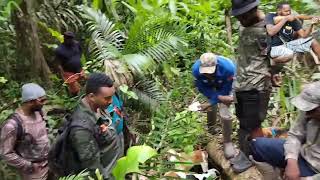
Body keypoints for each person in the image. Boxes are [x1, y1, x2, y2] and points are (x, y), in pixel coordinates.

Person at [231, 0, 271, 173]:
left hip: (257, 85)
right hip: (241, 83)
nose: (240, 19)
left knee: (253, 123)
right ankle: (246, 154)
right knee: (243, 121)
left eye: (243, 15)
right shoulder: (246, 24)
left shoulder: (269, 28)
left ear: (254, 10)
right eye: (238, 16)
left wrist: (273, 69)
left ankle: (258, 157)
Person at [250, 81, 320, 180]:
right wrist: (291, 161)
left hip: (315, 171)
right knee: (257, 145)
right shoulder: (308, 112)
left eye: (312, 110)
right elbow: (295, 135)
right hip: (302, 154)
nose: (307, 114)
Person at [63, 73, 120, 178]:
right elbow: (92, 168)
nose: (111, 101)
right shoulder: (81, 129)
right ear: (92, 97)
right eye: (107, 98)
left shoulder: (96, 107)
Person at [0, 83, 50, 180]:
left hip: (49, 165)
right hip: (33, 173)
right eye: (42, 100)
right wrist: (29, 166)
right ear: (30, 101)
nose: (45, 102)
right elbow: (6, 153)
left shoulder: (39, 112)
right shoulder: (12, 125)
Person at [192, 52, 236, 159]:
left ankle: (227, 142)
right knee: (210, 105)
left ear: (216, 66)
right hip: (209, 86)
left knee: (224, 111)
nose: (208, 74)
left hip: (225, 85)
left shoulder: (228, 68)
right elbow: (202, 87)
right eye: (205, 72)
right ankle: (211, 127)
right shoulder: (196, 70)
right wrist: (212, 100)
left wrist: (221, 98)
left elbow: (226, 90)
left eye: (210, 71)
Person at [55, 31, 85, 96]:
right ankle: (75, 101)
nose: (70, 40)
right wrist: (62, 75)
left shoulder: (76, 44)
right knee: (75, 90)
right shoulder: (59, 50)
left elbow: (80, 53)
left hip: (79, 70)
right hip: (68, 73)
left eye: (71, 38)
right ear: (65, 38)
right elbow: (59, 64)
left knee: (85, 87)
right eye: (68, 38)